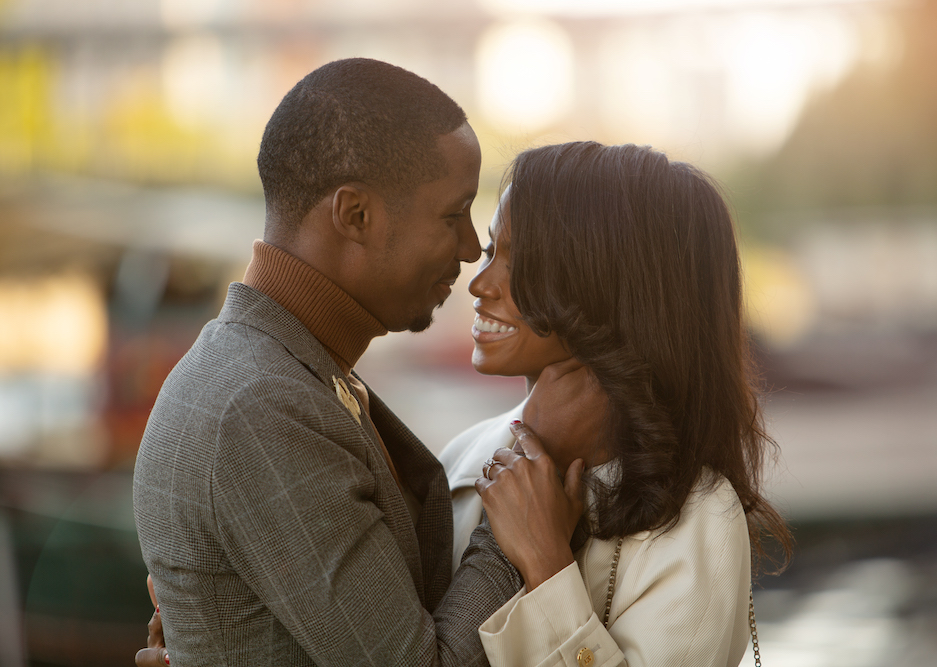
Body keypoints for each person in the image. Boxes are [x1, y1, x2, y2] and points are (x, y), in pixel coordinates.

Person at [132, 58, 601, 666]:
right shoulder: (259, 406)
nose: (467, 251)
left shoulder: (290, 374)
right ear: (355, 215)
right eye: (452, 215)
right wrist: (528, 483)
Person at [438, 142, 793, 666]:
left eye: (521, 262)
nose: (480, 282)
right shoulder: (462, 460)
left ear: (607, 287)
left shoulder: (698, 521)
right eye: (493, 251)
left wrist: (546, 566)